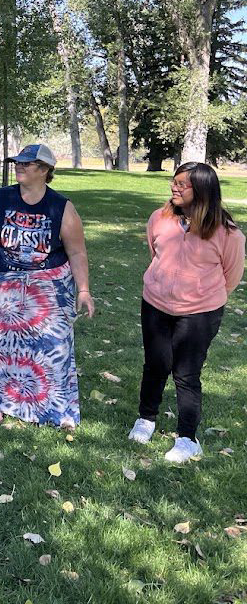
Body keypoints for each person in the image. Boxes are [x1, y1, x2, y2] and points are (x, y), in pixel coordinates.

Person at [0, 144, 95, 428]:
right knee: (0, 345)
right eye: (18, 162)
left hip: (47, 287)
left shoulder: (61, 207)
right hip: (4, 282)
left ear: (45, 170)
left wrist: (84, 290)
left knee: (52, 346)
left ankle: (56, 407)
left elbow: (77, 252)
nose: (19, 166)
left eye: (27, 164)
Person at [129, 162, 244, 463]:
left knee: (186, 374)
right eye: (174, 181)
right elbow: (156, 254)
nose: (174, 187)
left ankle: (186, 439)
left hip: (200, 313)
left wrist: (199, 296)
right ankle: (146, 418)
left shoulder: (227, 233)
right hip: (155, 304)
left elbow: (229, 276)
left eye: (183, 184)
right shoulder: (159, 218)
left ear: (203, 189)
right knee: (155, 364)